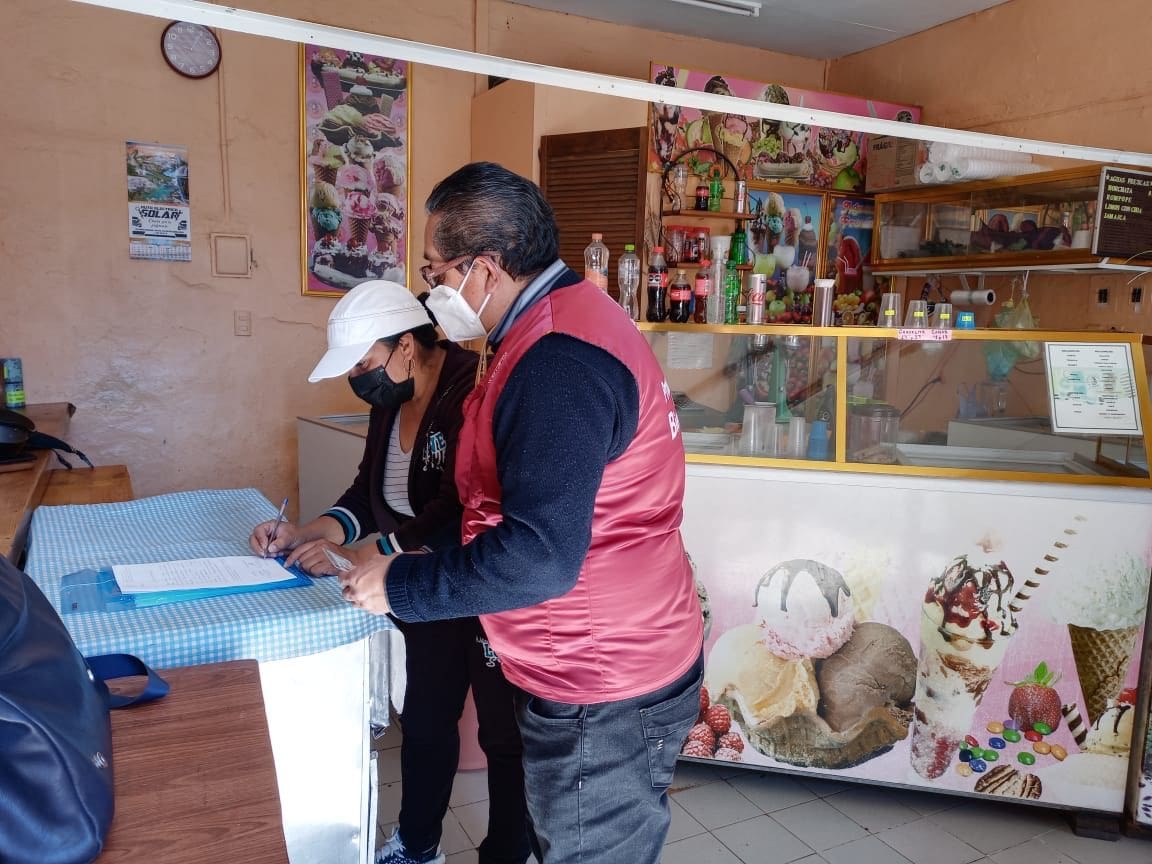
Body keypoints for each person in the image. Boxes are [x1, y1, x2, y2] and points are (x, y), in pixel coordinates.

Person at [338, 164, 704, 864]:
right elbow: (492, 503)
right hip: (594, 655)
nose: (432, 291)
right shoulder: (547, 328)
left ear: (483, 269)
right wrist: (406, 557)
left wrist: (403, 586)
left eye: (436, 273)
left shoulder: (557, 362)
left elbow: (540, 556)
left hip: (603, 676)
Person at [249, 280, 529, 864]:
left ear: (405, 346)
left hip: (476, 579)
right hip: (417, 585)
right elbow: (365, 492)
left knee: (503, 734)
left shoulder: (468, 389)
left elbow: (459, 506)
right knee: (426, 715)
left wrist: (378, 553)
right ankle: (419, 844)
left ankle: (505, 851)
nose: (359, 378)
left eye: (363, 363)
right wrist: (308, 531)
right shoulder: (390, 399)